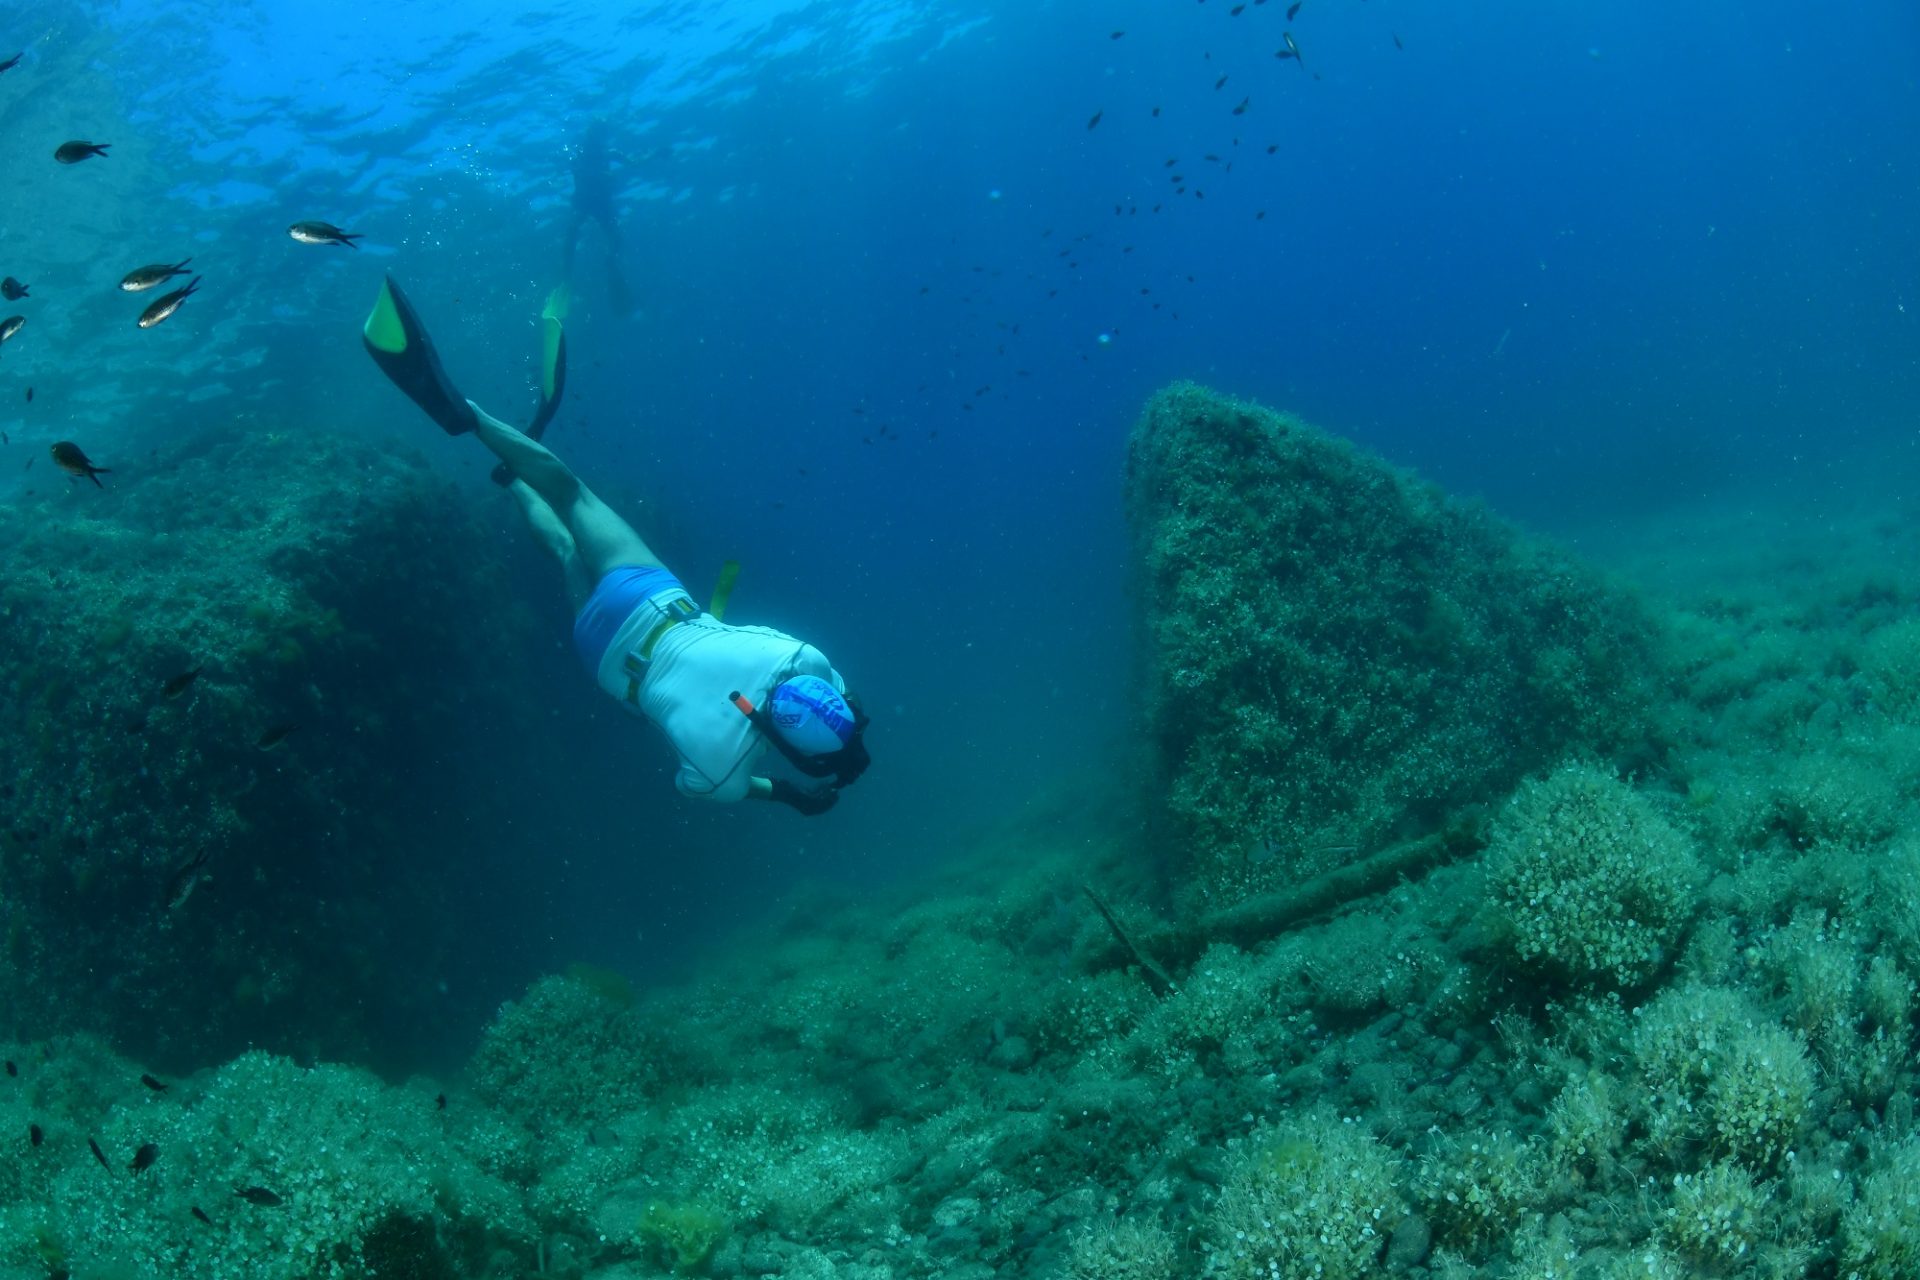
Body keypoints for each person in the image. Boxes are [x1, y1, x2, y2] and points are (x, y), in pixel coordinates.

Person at [360, 274, 869, 814]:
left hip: (655, 603)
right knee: (562, 552)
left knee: (571, 492)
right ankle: (512, 481)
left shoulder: (800, 656)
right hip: (609, 658)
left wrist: (845, 727)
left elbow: (832, 690)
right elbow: (711, 783)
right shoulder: (721, 770)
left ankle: (467, 413)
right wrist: (789, 792)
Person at [563, 119, 634, 316]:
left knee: (615, 239)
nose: (597, 140)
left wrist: (655, 155)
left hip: (600, 204)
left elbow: (635, 162)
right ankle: (566, 274)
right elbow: (576, 168)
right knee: (572, 232)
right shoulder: (580, 154)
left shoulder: (609, 154)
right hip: (586, 202)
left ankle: (609, 262)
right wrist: (600, 175)